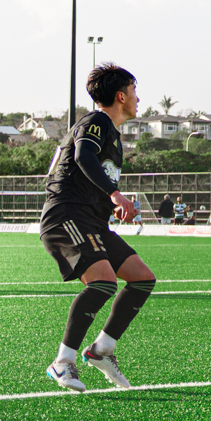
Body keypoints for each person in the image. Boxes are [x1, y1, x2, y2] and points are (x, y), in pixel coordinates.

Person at [38, 63, 154, 392]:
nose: (137, 98)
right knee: (102, 282)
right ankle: (63, 361)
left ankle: (102, 350)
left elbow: (90, 174)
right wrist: (115, 194)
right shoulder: (96, 121)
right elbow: (83, 156)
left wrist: (110, 204)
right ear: (121, 96)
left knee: (142, 278)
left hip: (91, 219)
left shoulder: (112, 134)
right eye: (134, 91)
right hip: (66, 215)